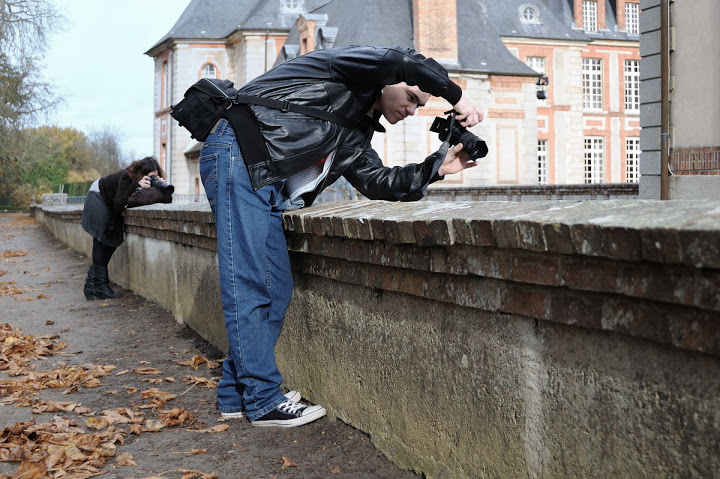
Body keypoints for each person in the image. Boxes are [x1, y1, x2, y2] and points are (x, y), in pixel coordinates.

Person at [199, 45, 483, 428]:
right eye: (412, 98)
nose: (413, 110)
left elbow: (377, 181)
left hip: (265, 180)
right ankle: (264, 399)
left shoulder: (355, 125)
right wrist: (458, 95)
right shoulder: (343, 67)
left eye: (420, 105)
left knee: (275, 287)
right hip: (239, 153)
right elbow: (402, 60)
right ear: (389, 81)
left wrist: (437, 169)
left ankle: (236, 394)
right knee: (250, 284)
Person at [81, 156, 171, 300]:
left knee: (112, 241)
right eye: (150, 177)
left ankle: (92, 285)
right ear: (141, 174)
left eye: (156, 176)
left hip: (108, 202)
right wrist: (137, 184)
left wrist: (160, 186)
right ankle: (100, 286)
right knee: (101, 240)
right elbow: (119, 203)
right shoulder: (126, 176)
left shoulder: (147, 182)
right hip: (98, 196)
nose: (152, 179)